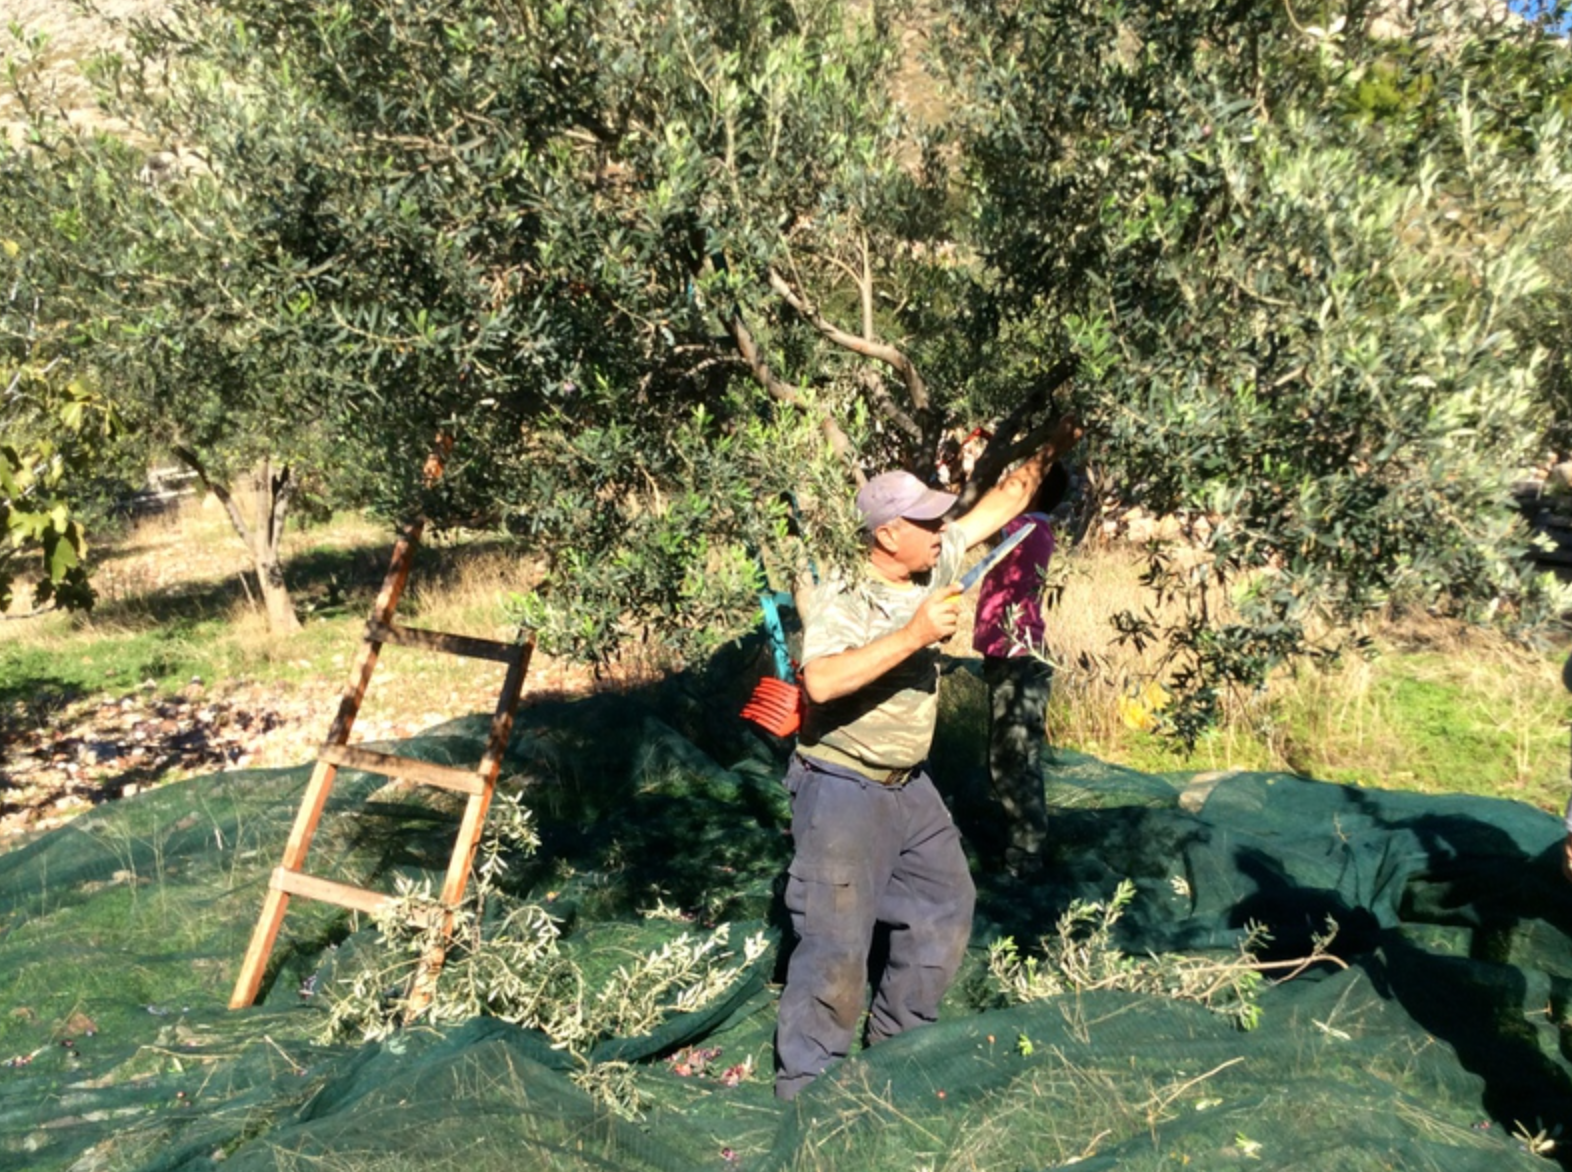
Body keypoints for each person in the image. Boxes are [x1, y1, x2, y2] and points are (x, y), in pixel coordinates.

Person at [774, 417, 1082, 1101]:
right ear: (887, 533)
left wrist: (1064, 433)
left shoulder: (933, 557)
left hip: (909, 786)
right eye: (927, 522)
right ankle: (810, 1096)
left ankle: (897, 1053)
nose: (945, 531)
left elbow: (1004, 501)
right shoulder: (837, 590)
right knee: (835, 946)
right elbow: (820, 682)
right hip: (842, 784)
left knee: (944, 903)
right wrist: (915, 634)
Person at [971, 464, 1071, 878]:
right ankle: (1024, 848)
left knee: (1012, 760)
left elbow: (980, 523)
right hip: (1013, 657)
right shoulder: (1033, 528)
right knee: (1015, 756)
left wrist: (975, 475)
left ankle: (1025, 858)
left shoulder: (1025, 528)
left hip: (1018, 659)